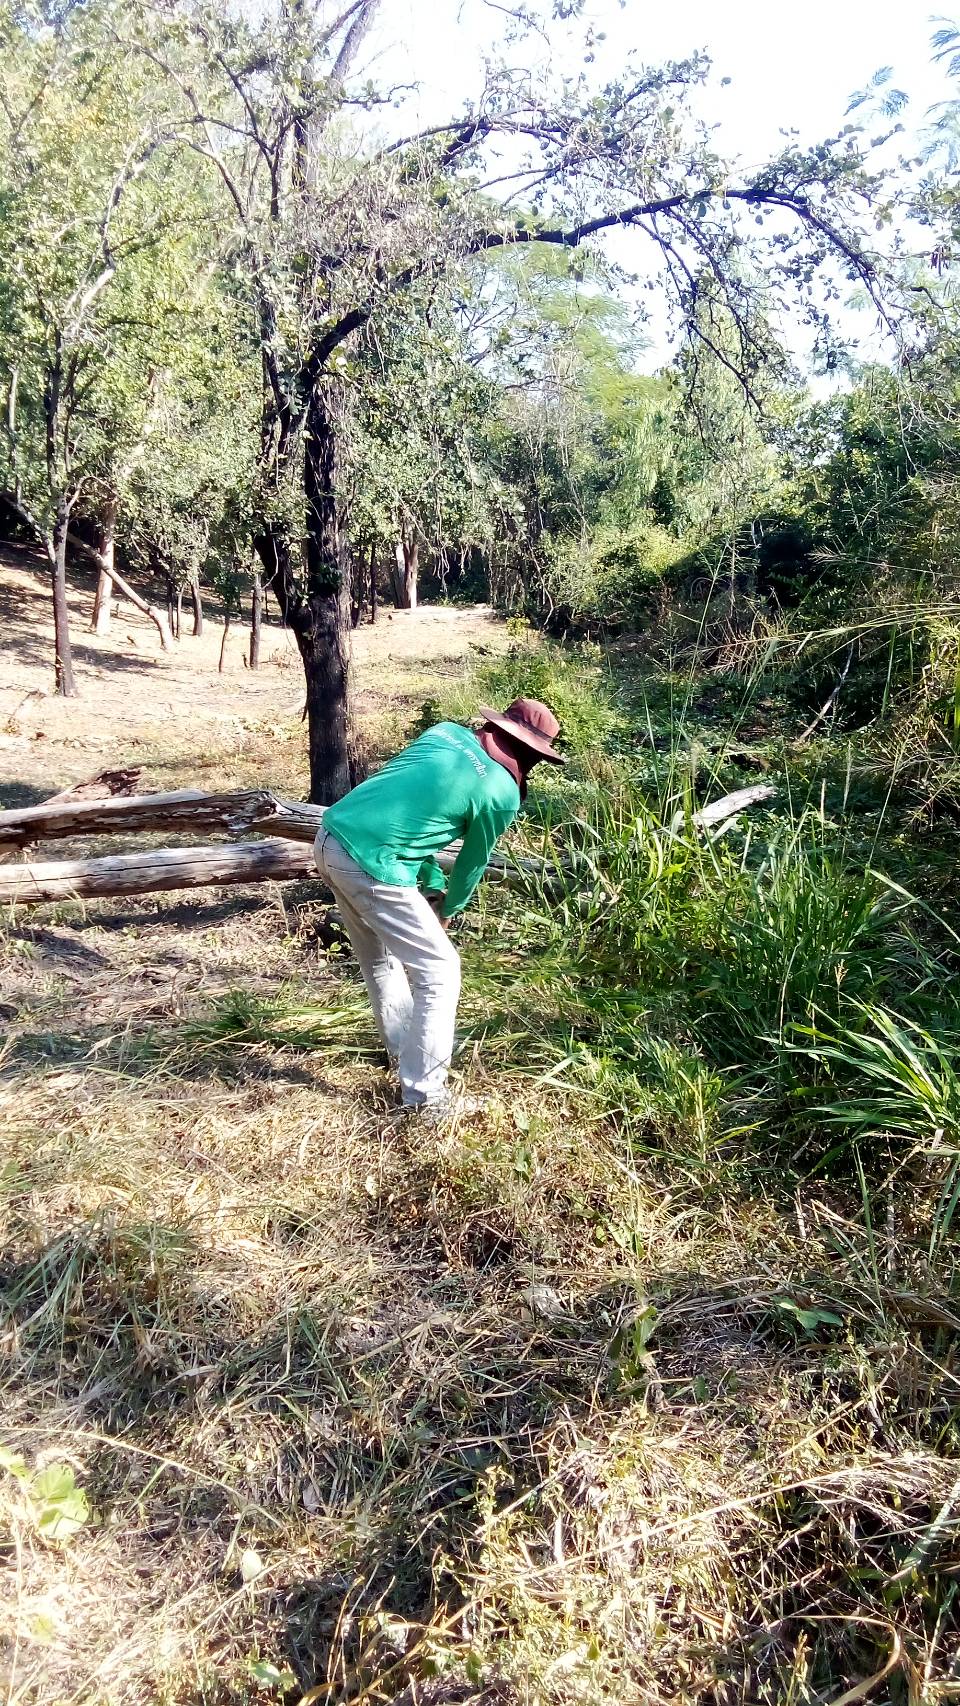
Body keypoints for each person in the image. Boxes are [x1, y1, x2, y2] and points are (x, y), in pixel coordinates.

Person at [314, 698, 565, 1117]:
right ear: (530, 755)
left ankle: (401, 1054)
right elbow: (472, 862)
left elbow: (415, 818)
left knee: (381, 958)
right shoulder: (501, 793)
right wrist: (448, 910)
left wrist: (430, 886)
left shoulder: (444, 734)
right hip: (372, 863)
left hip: (331, 837)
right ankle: (426, 1100)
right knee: (441, 971)